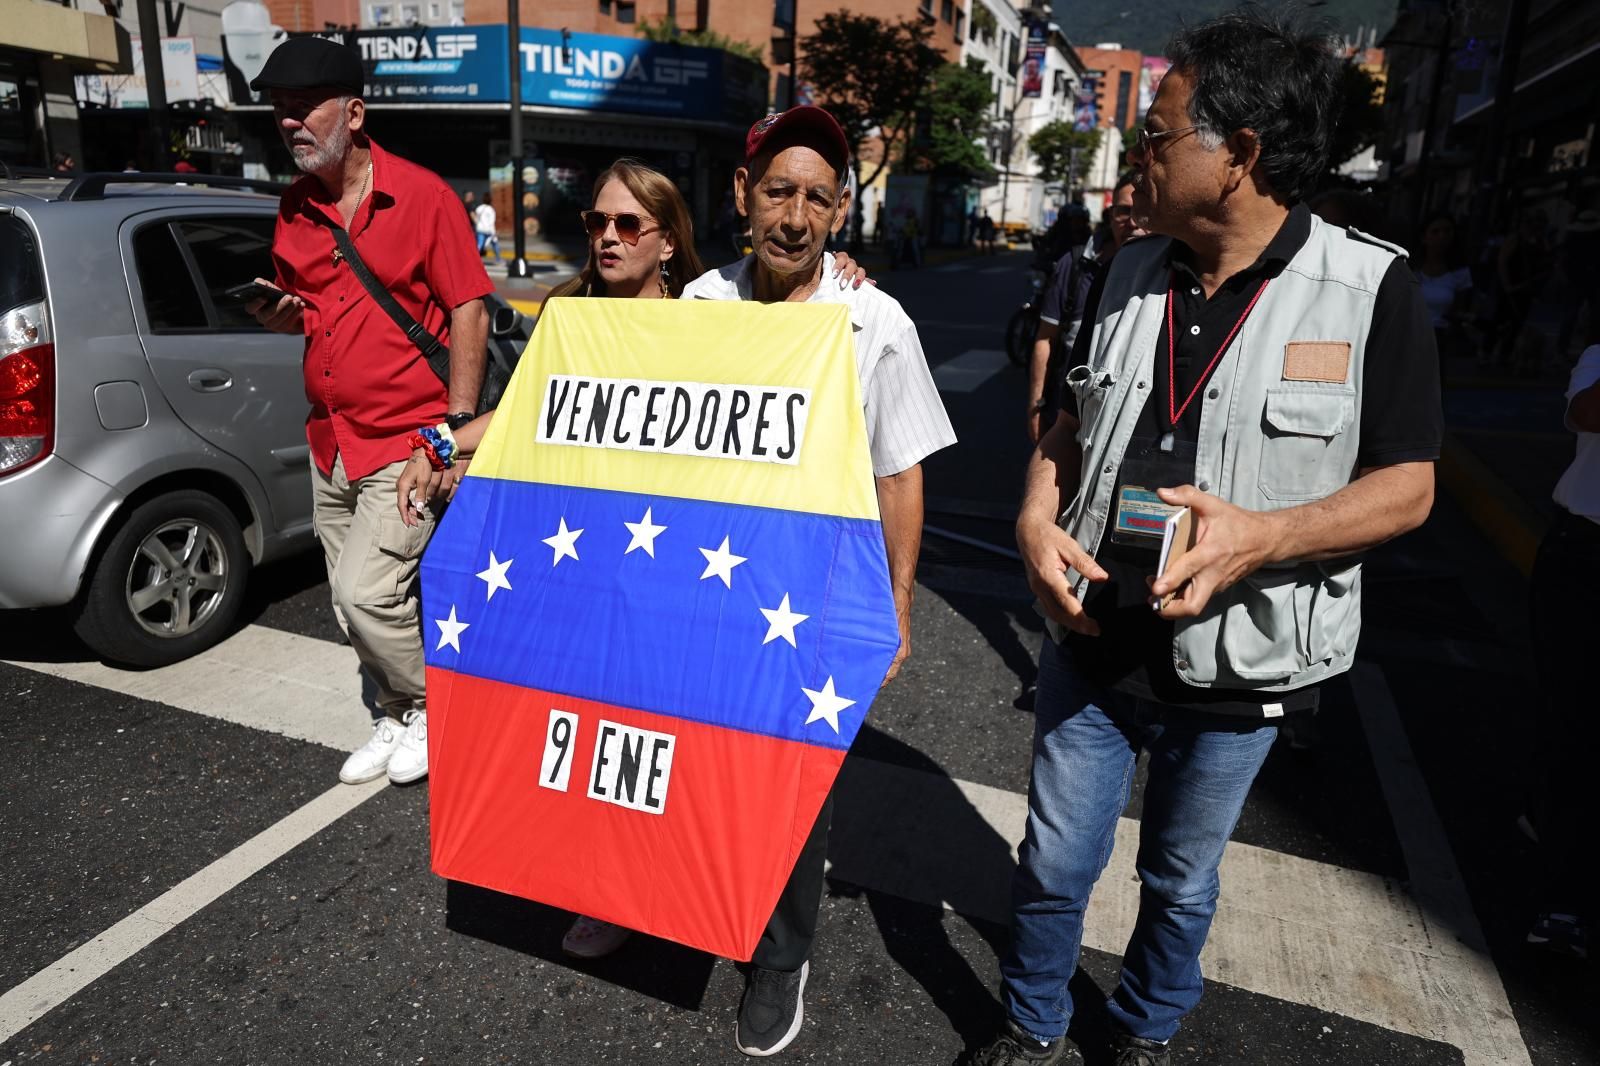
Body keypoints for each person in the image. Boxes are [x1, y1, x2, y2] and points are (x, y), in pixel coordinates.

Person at [978, 10, 1441, 1065]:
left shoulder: (1373, 290)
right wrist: (1032, 510)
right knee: (1054, 857)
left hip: (1239, 656)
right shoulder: (1126, 269)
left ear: (1238, 156)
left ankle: (1143, 1028)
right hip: (1091, 633)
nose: (1140, 153)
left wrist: (1260, 538)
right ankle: (1032, 1023)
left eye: (1159, 134)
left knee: (1180, 876)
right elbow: (1070, 420)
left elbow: (1409, 488)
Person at [396, 156, 871, 965]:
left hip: (676, 564)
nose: (608, 238)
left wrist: (839, 269)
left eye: (627, 225)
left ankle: (661, 882)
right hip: (579, 553)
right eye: (596, 223)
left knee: (666, 725)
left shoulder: (699, 313)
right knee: (583, 726)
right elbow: (527, 414)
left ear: (665, 239)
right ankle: (598, 884)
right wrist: (443, 440)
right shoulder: (566, 313)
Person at [683, 104, 956, 1057]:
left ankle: (780, 957)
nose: (794, 217)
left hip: (815, 596)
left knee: (793, 785)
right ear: (743, 196)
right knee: (701, 756)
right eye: (778, 192)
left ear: (839, 214)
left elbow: (900, 469)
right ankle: (684, 898)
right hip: (707, 586)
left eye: (816, 199)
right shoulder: (701, 306)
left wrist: (899, 601)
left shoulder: (873, 317)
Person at [245, 36, 492, 789]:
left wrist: (449, 435)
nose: (289, 124)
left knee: (368, 591)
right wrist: (286, 318)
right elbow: (316, 310)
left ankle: (436, 708)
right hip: (331, 440)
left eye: (303, 109)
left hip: (406, 438)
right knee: (347, 603)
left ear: (354, 112)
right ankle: (394, 712)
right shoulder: (294, 209)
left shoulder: (423, 196)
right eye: (280, 112)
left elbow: (470, 309)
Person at [1523, 290, 1600, 960]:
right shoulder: (1598, 357)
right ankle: (1562, 899)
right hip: (1585, 554)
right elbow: (1585, 413)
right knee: (1575, 724)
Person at [1026, 172, 1145, 443]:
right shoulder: (1075, 263)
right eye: (1124, 211)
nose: (1134, 222)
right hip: (1067, 419)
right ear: (1110, 213)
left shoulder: (1166, 271)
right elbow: (1046, 338)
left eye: (1142, 210)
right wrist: (1036, 406)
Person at [1413, 213, 1475, 372]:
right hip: (1409, 333)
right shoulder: (1410, 269)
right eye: (1436, 231)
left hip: (1439, 338)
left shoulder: (1460, 273)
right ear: (1424, 237)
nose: (1442, 237)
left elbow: (1461, 309)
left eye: (1447, 232)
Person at [472, 193, 500, 260]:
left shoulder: (479, 208)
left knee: (480, 244)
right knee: (495, 243)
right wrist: (494, 232)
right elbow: (491, 222)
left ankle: (474, 258)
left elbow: (476, 218)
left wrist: (478, 225)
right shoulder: (491, 210)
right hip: (489, 230)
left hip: (480, 229)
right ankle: (498, 258)